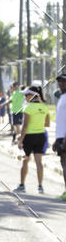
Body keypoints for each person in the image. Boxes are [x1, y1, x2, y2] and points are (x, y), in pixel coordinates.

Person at [14, 85, 51, 194]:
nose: (25, 97)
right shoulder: (44, 107)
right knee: (39, 162)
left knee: (25, 161)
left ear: (32, 95)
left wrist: (20, 140)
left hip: (29, 137)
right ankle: (40, 187)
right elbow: (47, 124)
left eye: (26, 95)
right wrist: (38, 123)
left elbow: (25, 126)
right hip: (41, 136)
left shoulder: (28, 108)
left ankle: (22, 185)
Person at [52, 71, 66, 201]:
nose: (61, 84)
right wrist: (56, 140)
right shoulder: (62, 97)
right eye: (60, 82)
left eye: (64, 82)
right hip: (61, 137)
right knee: (63, 164)